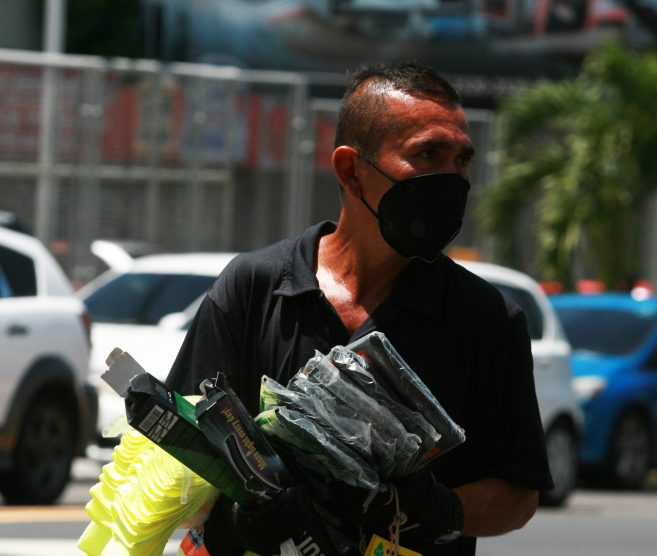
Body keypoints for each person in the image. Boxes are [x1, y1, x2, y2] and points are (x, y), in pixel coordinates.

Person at [166, 60, 553, 556]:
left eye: (461, 160)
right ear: (351, 170)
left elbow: (518, 496)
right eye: (428, 154)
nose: (453, 179)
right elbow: (181, 446)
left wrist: (435, 508)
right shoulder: (255, 287)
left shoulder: (487, 318)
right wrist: (244, 512)